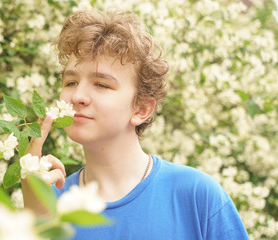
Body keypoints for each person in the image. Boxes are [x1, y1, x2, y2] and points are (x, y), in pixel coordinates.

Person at [22, 9, 250, 239]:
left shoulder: (196, 196)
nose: (78, 95)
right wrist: (36, 219)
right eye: (71, 82)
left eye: (101, 84)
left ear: (141, 109)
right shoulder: (49, 203)